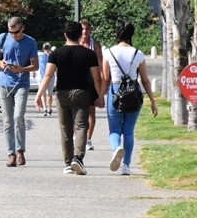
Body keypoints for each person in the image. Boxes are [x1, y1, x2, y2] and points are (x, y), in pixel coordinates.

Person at [34, 21, 103, 174]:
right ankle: (78, 158)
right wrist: (100, 96)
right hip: (82, 92)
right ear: (80, 35)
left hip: (62, 93)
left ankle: (67, 162)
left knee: (65, 129)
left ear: (65, 35)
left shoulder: (55, 53)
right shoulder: (89, 54)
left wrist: (39, 94)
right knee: (81, 127)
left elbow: (48, 75)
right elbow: (97, 78)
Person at [103, 22, 158, 175]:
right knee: (128, 130)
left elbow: (105, 79)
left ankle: (116, 149)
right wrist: (153, 102)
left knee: (114, 129)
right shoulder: (138, 54)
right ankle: (126, 166)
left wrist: (100, 96)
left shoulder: (109, 52)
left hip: (115, 92)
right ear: (131, 34)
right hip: (134, 94)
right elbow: (146, 80)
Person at [0, 16, 39, 167]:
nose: (13, 35)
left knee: (18, 116)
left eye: (16, 32)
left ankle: (20, 151)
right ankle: (10, 154)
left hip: (22, 83)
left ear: (22, 28)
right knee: (7, 121)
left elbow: (35, 65)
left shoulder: (30, 42)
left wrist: (22, 68)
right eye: (10, 32)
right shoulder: (3, 37)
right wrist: (0, 63)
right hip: (4, 83)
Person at [79, 19, 105, 150]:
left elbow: (101, 65)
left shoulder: (95, 45)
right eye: (82, 29)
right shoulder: (76, 42)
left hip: (91, 81)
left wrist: (101, 89)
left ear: (90, 30)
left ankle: (88, 139)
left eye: (87, 29)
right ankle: (78, 137)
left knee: (90, 112)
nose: (85, 31)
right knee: (77, 111)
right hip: (78, 80)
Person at [37, 43, 54, 116]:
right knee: (46, 94)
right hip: (46, 77)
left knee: (46, 94)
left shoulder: (50, 56)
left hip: (46, 77)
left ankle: (47, 108)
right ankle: (47, 108)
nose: (46, 49)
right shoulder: (41, 55)